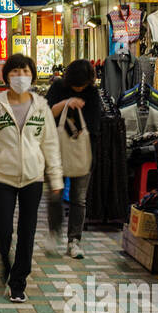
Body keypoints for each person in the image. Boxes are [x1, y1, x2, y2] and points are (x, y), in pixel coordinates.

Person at [0, 54, 64, 303]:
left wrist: (55, 179)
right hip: (3, 176)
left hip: (33, 177)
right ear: (6, 76)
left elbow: (50, 145)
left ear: (32, 75)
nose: (19, 77)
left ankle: (18, 281)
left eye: (24, 72)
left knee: (28, 231)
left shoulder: (40, 106)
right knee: (3, 230)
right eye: (14, 72)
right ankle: (5, 263)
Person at [44, 59, 102, 259]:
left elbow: (94, 127)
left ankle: (74, 241)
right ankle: (54, 234)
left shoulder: (93, 94)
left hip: (82, 153)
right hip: (56, 151)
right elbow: (46, 114)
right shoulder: (58, 87)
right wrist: (67, 103)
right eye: (76, 85)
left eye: (82, 85)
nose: (79, 89)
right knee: (55, 195)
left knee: (79, 198)